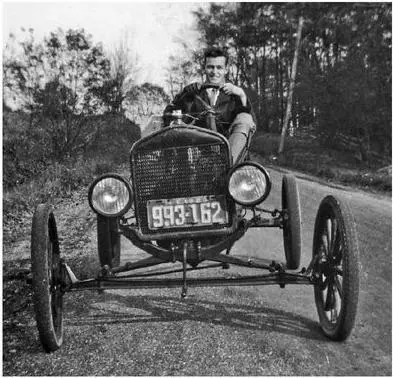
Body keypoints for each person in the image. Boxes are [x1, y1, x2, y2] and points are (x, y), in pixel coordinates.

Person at [163, 46, 256, 163]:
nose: (214, 72)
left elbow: (248, 124)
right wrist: (185, 96)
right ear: (204, 68)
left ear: (226, 69)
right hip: (198, 155)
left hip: (230, 153)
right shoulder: (192, 91)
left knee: (245, 117)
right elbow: (169, 114)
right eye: (210, 67)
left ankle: (228, 164)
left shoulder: (235, 94)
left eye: (219, 68)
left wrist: (242, 94)